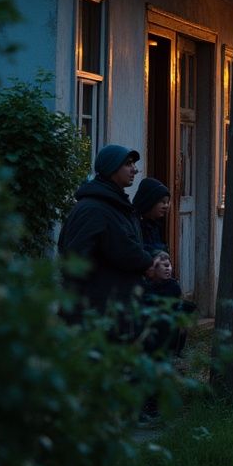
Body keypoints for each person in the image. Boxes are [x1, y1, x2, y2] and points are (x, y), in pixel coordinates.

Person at [58, 144, 162, 336]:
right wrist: (147, 263)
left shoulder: (116, 204)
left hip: (116, 308)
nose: (135, 169)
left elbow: (124, 243)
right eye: (128, 164)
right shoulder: (94, 209)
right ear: (111, 167)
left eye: (134, 164)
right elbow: (77, 260)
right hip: (98, 313)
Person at [132, 177, 171, 256]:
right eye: (162, 202)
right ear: (149, 201)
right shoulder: (135, 223)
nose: (166, 206)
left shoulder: (155, 224)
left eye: (167, 202)